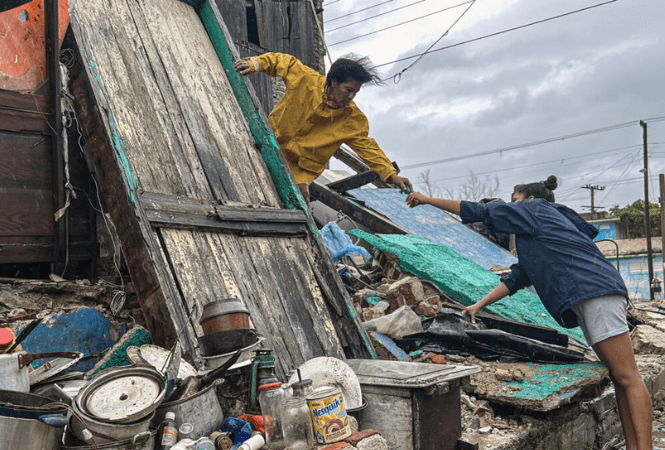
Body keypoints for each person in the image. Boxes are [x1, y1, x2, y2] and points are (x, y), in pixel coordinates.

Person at [407, 176, 653, 450]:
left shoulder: (535, 210)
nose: (511, 208)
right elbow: (518, 278)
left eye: (514, 200)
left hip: (594, 292)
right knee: (620, 378)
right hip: (590, 294)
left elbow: (482, 210)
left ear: (529, 199)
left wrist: (428, 200)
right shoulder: (542, 231)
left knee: (629, 377)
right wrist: (479, 305)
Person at [233, 52, 412, 204]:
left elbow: (369, 148)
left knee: (299, 199)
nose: (351, 96)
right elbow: (283, 61)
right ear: (333, 81)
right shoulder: (306, 80)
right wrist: (255, 64)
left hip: (300, 167)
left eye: (355, 92)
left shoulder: (352, 120)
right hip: (271, 140)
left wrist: (391, 175)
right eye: (348, 89)